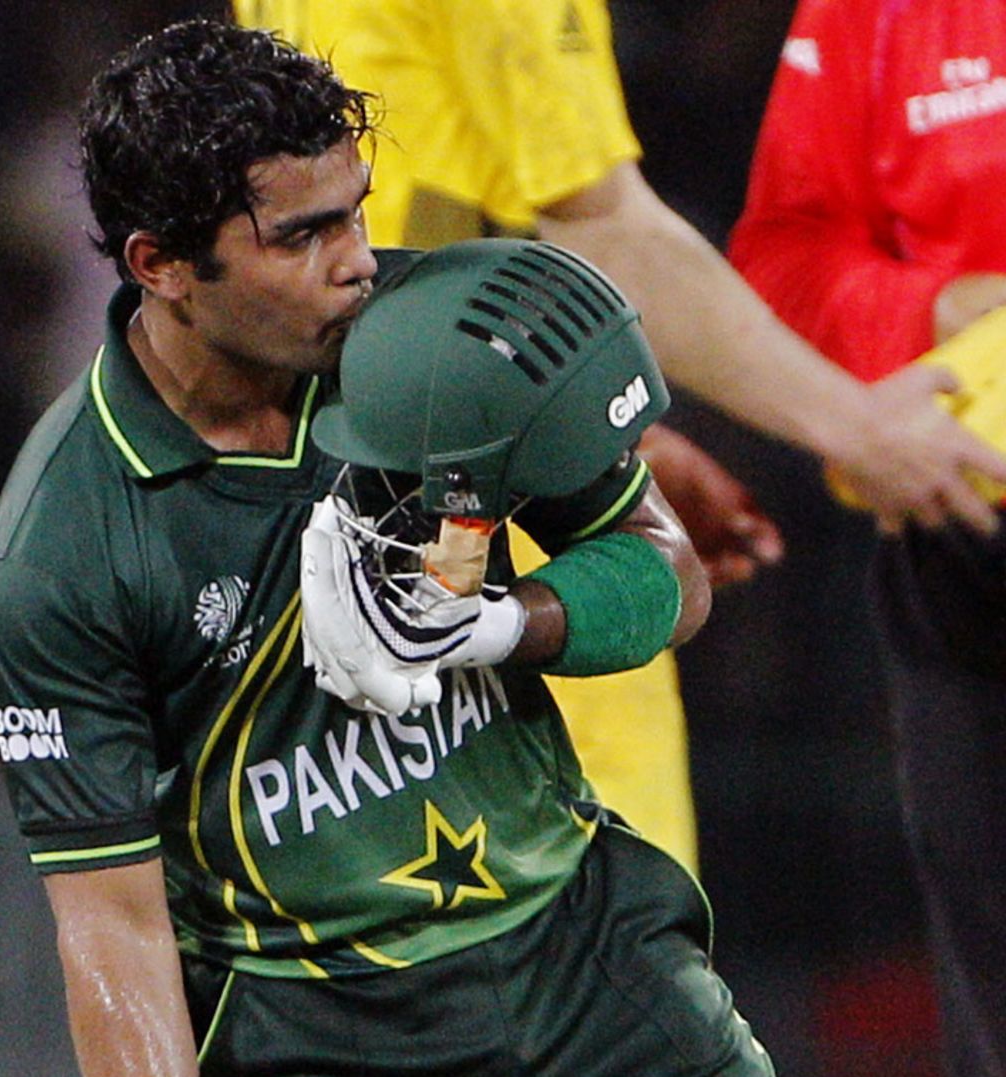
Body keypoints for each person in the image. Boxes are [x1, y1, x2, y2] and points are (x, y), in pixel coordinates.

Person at [0, 22, 944, 1077]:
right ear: (162, 265)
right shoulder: (61, 548)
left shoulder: (443, 339)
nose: (357, 264)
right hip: (319, 1054)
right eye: (301, 235)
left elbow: (664, 569)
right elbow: (111, 922)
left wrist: (507, 621)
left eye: (359, 212)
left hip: (583, 969)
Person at [232, 0, 1006, 875]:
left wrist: (600, 427)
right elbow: (603, 226)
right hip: (500, 545)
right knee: (618, 929)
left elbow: (424, 211)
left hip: (356, 510)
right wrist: (860, 428)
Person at [727, 0, 1006, 1077]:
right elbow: (780, 272)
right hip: (967, 557)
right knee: (1003, 1074)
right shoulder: (884, 13)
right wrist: (949, 305)